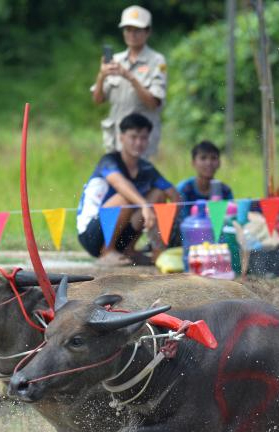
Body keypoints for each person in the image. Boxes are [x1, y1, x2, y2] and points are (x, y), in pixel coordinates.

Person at [76, 113, 181, 266]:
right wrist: (145, 206)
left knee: (158, 194)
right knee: (125, 198)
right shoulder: (109, 161)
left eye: (143, 138)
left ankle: (129, 250)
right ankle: (107, 251)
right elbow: (120, 184)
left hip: (122, 233)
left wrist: (164, 230)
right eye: (133, 137)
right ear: (121, 137)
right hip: (91, 235)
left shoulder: (147, 168)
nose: (138, 142)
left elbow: (174, 196)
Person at [91, 5, 167, 157]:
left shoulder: (157, 61)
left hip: (142, 141)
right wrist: (101, 76)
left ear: (148, 32)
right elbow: (97, 100)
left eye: (137, 30)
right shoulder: (116, 60)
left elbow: (153, 103)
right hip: (116, 139)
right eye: (128, 30)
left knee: (140, 180)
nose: (132, 34)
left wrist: (130, 77)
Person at [176, 140, 234, 218]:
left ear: (219, 163)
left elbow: (231, 218)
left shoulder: (225, 191)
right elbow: (183, 220)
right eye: (203, 158)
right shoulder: (184, 189)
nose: (209, 163)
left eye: (213, 158)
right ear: (193, 163)